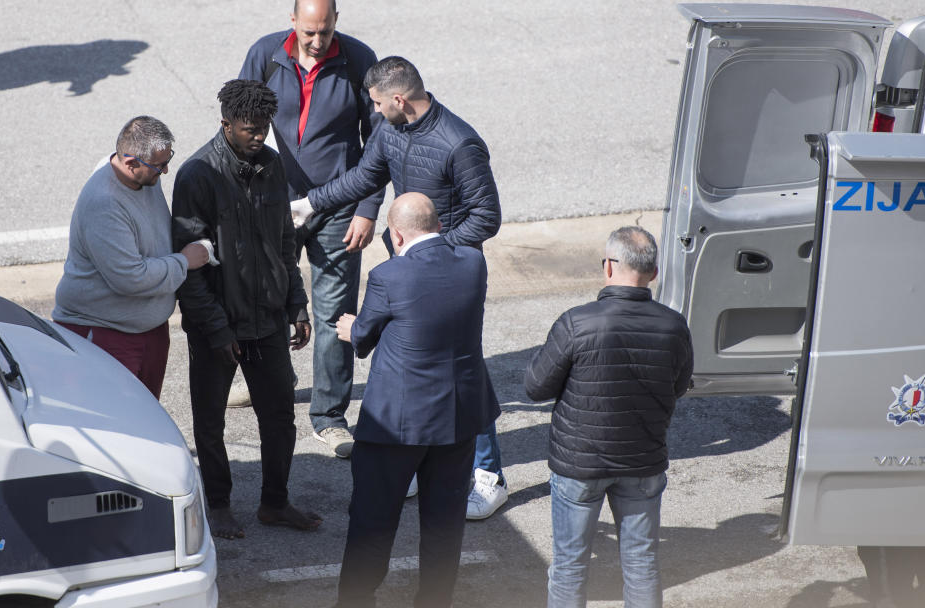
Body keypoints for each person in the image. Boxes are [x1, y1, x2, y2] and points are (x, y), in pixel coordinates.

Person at [293, 55, 507, 519]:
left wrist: (431, 248)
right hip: (407, 267)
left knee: (460, 364)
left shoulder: (460, 142)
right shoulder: (390, 131)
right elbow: (364, 178)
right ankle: (416, 460)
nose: (371, 111)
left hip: (452, 271)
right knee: (405, 363)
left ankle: (489, 475)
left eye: (374, 103)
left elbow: (486, 216)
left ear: (398, 99)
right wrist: (308, 204)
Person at [332, 192, 500, 607]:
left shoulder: (389, 275)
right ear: (439, 226)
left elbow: (366, 336)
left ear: (397, 235)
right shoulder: (473, 265)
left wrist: (350, 328)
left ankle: (356, 600)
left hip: (397, 423)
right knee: (445, 524)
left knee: (374, 520)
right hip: (457, 417)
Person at [171, 79, 317, 540]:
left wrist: (297, 302)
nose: (259, 136)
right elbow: (189, 265)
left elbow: (285, 240)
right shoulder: (197, 175)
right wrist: (216, 329)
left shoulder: (272, 165)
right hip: (218, 326)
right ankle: (218, 504)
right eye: (250, 129)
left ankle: (275, 502)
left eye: (264, 128)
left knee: (280, 418)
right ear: (226, 125)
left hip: (268, 320)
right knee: (210, 423)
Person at [238, 0, 383, 458]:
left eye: (325, 32)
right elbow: (239, 126)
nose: (317, 42)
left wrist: (368, 207)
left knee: (334, 311)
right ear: (293, 21)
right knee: (263, 297)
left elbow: (379, 139)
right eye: (308, 33)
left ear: (336, 22)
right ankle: (268, 381)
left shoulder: (359, 60)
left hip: (338, 203)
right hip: (272, 202)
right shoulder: (264, 56)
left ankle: (330, 417)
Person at [525, 226, 693, 608]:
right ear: (652, 273)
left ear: (609, 267)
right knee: (642, 563)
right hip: (643, 460)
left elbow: (535, 387)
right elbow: (679, 385)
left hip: (579, 464)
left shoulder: (577, 322)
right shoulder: (673, 325)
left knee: (569, 567)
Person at [53, 116, 208, 400]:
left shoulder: (142, 177)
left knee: (145, 420)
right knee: (115, 426)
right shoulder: (104, 205)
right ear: (130, 163)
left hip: (147, 332)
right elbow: (130, 277)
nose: (166, 170)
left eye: (168, 159)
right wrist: (184, 261)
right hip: (105, 335)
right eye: (159, 166)